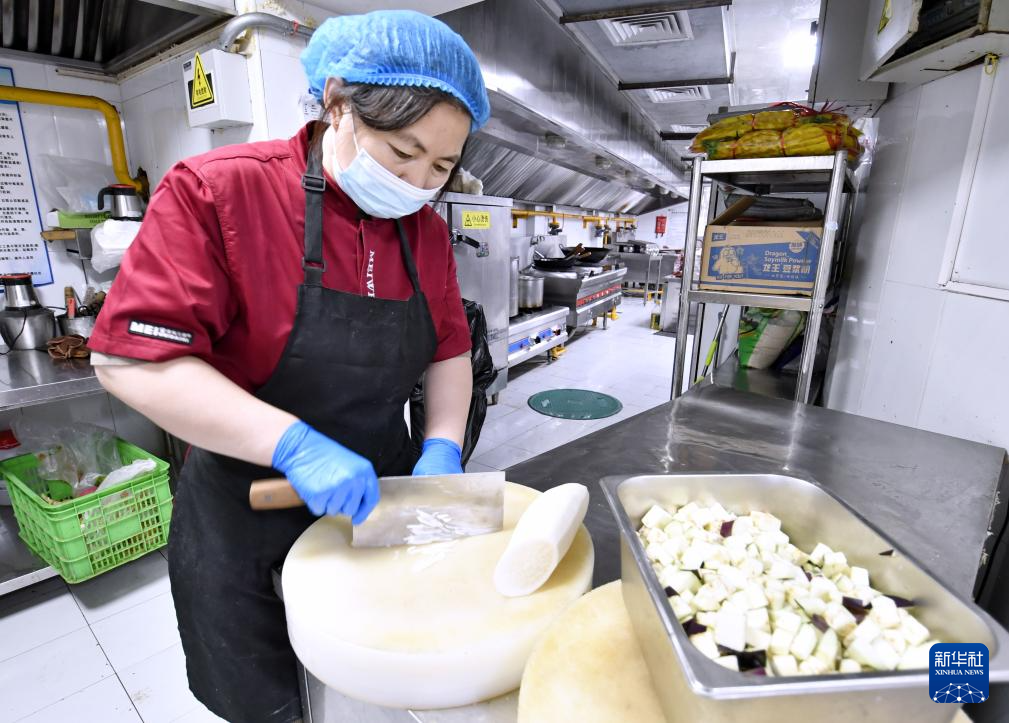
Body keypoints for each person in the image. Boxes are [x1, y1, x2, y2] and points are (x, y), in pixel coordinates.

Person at [88, 10, 490, 722]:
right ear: (338, 103)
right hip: (247, 508)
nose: (418, 182)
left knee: (377, 686)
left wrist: (440, 445)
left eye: (440, 167)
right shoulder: (219, 191)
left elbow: (449, 349)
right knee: (270, 703)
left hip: (377, 505)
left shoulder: (425, 232)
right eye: (403, 152)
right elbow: (130, 361)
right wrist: (294, 446)